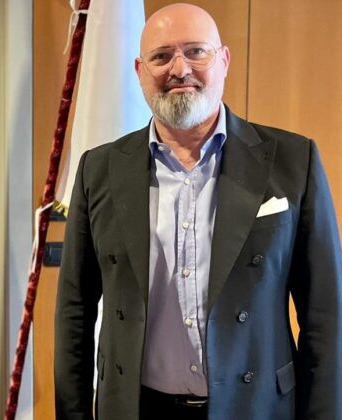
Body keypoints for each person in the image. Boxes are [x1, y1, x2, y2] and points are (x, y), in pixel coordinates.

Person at [54, 3, 342, 420]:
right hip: (136, 409)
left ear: (223, 61)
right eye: (161, 56)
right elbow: (74, 313)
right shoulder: (97, 170)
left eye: (195, 52)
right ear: (139, 70)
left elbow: (325, 317)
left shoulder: (294, 162)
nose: (179, 68)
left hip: (255, 408)